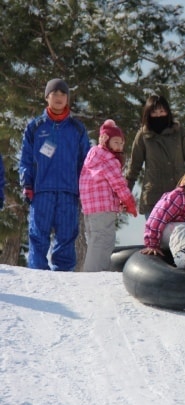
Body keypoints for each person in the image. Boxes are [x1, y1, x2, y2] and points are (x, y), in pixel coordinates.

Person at [19, 78, 91, 271]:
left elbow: (86, 162)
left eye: (63, 94)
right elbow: (25, 159)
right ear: (47, 97)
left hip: (69, 191)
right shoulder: (35, 127)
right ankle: (38, 273)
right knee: (38, 234)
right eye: (54, 94)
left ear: (67, 99)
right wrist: (27, 184)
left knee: (67, 234)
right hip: (42, 190)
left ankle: (64, 275)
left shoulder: (77, 128)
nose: (59, 98)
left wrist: (85, 189)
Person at [125, 95, 185, 217]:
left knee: (179, 234)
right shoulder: (143, 135)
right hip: (153, 197)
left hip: (179, 195)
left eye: (162, 111)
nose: (159, 115)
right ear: (148, 114)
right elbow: (134, 168)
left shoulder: (179, 131)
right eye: (154, 112)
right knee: (155, 235)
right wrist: (125, 193)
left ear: (167, 112)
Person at [79, 119, 138, 272]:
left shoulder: (93, 157)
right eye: (116, 142)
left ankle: (92, 272)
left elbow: (104, 185)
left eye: (121, 143)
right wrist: (129, 202)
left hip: (91, 208)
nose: (119, 146)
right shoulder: (109, 159)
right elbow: (118, 184)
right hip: (103, 208)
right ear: (106, 141)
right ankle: (95, 274)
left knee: (95, 240)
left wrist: (119, 202)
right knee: (104, 241)